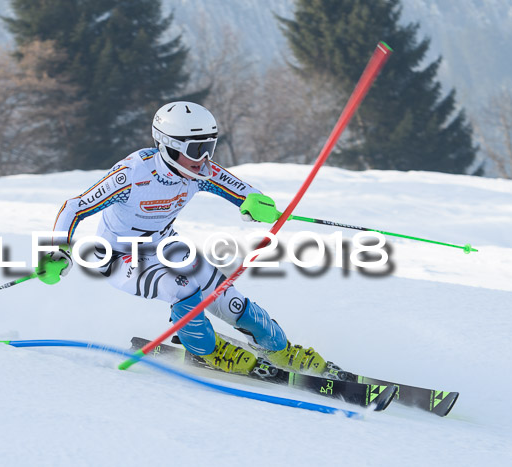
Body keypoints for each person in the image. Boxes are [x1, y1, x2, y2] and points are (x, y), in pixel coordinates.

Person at [38, 101, 335, 378]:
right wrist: (56, 250)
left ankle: (280, 349)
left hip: (167, 247)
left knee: (229, 300)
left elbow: (240, 190)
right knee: (182, 288)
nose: (204, 159)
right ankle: (207, 350)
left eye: (210, 147)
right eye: (196, 149)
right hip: (118, 257)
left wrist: (257, 202)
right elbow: (74, 207)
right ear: (169, 146)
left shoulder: (199, 172)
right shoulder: (132, 175)